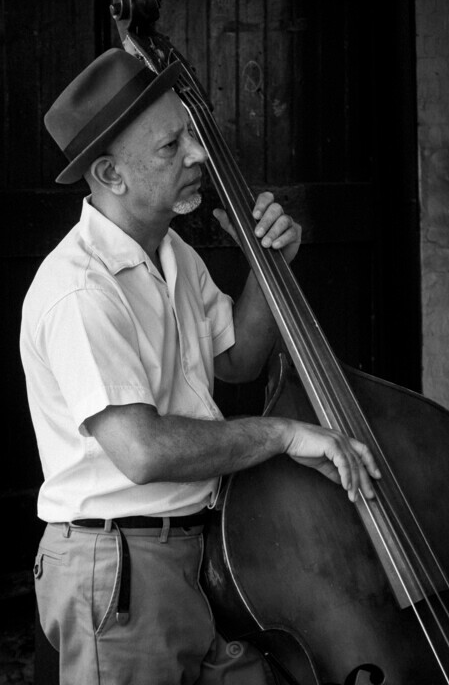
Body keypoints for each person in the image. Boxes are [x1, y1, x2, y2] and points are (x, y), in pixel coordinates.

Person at [20, 48, 381, 685]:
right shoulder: (81, 289)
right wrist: (284, 434)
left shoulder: (171, 251)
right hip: (122, 569)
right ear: (110, 173)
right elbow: (144, 450)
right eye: (170, 146)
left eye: (190, 132)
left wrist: (270, 268)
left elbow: (238, 359)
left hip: (195, 554)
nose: (198, 153)